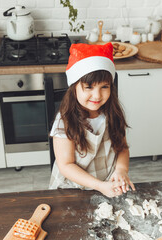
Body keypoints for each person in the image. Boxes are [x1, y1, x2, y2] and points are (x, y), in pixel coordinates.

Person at [49, 43, 135, 198]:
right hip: (72, 188)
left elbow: (122, 147)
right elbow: (66, 165)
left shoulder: (113, 113)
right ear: (74, 87)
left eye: (104, 87)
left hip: (108, 183)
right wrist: (99, 185)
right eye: (89, 87)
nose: (97, 96)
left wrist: (121, 170)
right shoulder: (64, 121)